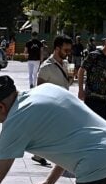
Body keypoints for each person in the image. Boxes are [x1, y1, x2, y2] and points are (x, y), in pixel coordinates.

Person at [32, 35, 74, 166]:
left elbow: (67, 83)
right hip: (52, 106)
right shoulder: (46, 67)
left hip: (64, 104)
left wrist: (70, 78)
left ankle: (39, 155)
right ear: (57, 49)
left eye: (69, 50)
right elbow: (39, 89)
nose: (68, 53)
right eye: (66, 50)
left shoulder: (66, 64)